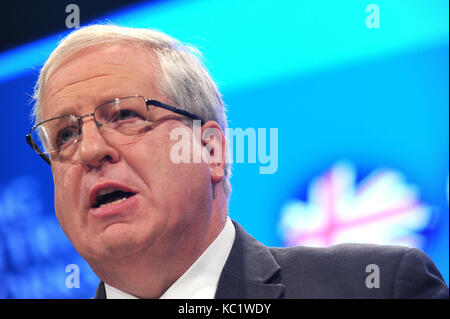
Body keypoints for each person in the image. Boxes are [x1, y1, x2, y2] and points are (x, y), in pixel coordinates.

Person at [26, 24, 449, 299]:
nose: (89, 149)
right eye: (64, 134)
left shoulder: (376, 287)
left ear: (211, 151)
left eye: (125, 115)